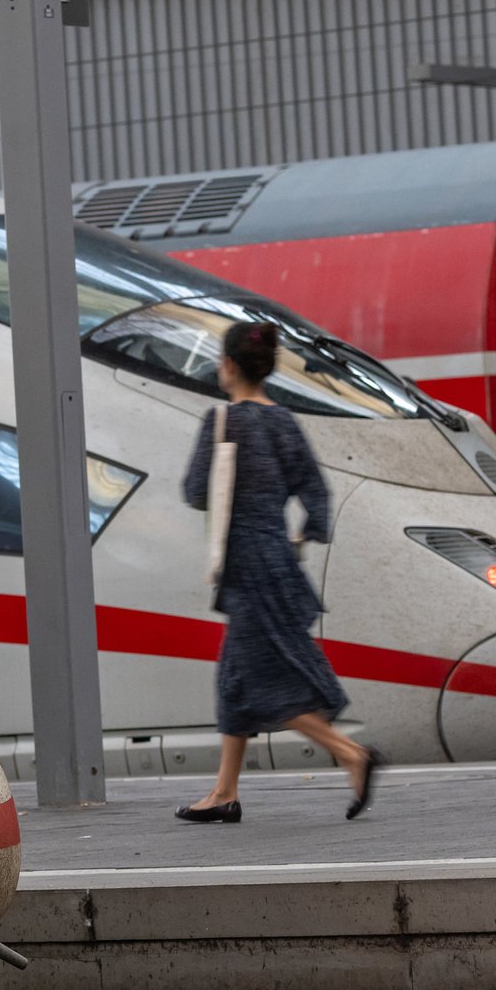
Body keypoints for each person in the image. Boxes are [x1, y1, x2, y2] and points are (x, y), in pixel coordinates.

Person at [176, 321, 384, 823]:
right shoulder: (284, 422)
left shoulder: (221, 421)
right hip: (277, 561)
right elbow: (316, 491)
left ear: (227, 366)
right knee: (234, 680)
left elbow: (194, 491)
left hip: (244, 568)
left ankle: (351, 754)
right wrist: (302, 535)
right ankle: (225, 792)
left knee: (265, 684)